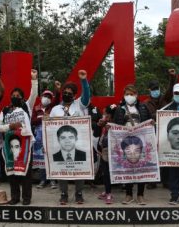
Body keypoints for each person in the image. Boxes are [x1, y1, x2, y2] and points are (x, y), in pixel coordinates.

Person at [0, 69, 38, 206]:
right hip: (10, 145)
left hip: (25, 145)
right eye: (13, 95)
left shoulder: (26, 106)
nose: (15, 97)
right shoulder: (5, 110)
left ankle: (26, 198)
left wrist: (34, 79)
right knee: (12, 172)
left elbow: (34, 94)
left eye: (18, 95)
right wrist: (10, 126)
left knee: (26, 173)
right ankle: (15, 197)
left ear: (22, 98)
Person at [50, 69, 90, 205]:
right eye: (65, 92)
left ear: (74, 95)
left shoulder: (80, 104)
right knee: (62, 168)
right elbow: (49, 130)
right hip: (60, 144)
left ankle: (79, 193)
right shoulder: (55, 109)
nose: (67, 94)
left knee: (79, 168)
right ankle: (64, 194)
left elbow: (86, 96)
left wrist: (84, 80)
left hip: (78, 144)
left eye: (70, 93)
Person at [113, 84, 151, 205]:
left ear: (136, 95)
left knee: (141, 168)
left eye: (132, 94)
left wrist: (152, 123)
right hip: (126, 142)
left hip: (141, 141)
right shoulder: (119, 109)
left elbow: (149, 120)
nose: (130, 96)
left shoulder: (143, 107)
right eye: (127, 94)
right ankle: (128, 195)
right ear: (124, 96)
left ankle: (140, 195)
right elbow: (115, 124)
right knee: (127, 168)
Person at [143, 69, 176, 189]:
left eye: (157, 89)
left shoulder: (165, 99)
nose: (155, 91)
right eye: (153, 89)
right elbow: (144, 117)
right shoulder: (145, 103)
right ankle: (152, 181)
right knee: (152, 156)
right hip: (151, 132)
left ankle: (166, 181)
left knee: (165, 155)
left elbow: (170, 89)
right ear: (149, 90)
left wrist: (172, 77)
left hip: (164, 132)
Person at [33, 87, 60, 189]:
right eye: (45, 96)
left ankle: (53, 180)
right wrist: (41, 119)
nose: (47, 98)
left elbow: (57, 99)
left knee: (51, 157)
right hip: (39, 138)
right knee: (41, 160)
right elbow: (32, 121)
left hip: (51, 136)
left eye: (49, 97)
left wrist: (57, 90)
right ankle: (43, 180)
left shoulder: (53, 107)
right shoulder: (36, 108)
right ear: (41, 97)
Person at [96, 104, 117, 204]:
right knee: (105, 173)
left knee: (108, 173)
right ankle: (106, 190)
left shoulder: (114, 126)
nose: (104, 116)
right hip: (103, 152)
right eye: (104, 114)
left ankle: (109, 193)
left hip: (111, 153)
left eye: (106, 115)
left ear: (111, 116)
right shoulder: (104, 125)